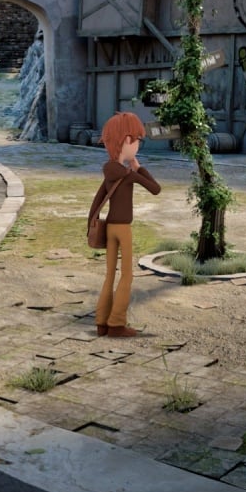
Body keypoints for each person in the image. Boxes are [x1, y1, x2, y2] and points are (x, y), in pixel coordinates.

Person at [92, 112, 161, 337]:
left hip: (109, 228)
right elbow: (155, 188)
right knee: (127, 275)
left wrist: (90, 226)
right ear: (127, 140)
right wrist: (138, 167)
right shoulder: (128, 174)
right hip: (123, 229)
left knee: (109, 275)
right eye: (138, 140)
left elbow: (97, 201)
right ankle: (117, 324)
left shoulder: (109, 172)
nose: (138, 144)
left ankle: (101, 322)